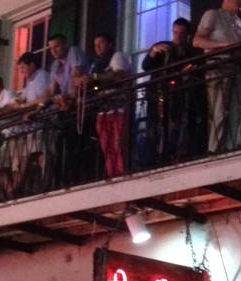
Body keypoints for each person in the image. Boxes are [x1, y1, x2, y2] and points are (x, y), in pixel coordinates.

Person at [141, 18, 206, 163]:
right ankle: (154, 156)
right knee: (155, 125)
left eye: (181, 33)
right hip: (158, 92)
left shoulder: (191, 51)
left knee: (177, 125)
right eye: (175, 32)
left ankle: (174, 154)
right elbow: (145, 66)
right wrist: (152, 53)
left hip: (179, 95)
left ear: (187, 35)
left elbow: (195, 69)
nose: (177, 36)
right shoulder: (162, 47)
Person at [193, 0, 241, 153]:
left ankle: (235, 146)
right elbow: (198, 41)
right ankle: (215, 149)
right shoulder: (213, 15)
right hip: (219, 67)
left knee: (239, 111)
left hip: (239, 69)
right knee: (219, 111)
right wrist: (223, 46)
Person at [0, 54, 50, 197]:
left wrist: (25, 106)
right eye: (20, 68)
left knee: (39, 157)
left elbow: (44, 97)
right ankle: (14, 191)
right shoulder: (30, 83)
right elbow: (18, 100)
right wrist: (7, 108)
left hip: (44, 123)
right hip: (33, 126)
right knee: (26, 158)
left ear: (32, 65)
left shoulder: (42, 76)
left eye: (23, 67)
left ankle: (43, 186)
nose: (21, 71)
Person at [83, 32, 132, 177]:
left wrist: (95, 77)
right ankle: (112, 173)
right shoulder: (95, 65)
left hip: (118, 107)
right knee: (106, 146)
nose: (98, 47)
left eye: (101, 43)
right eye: (95, 45)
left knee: (118, 144)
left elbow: (119, 75)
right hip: (102, 109)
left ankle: (121, 173)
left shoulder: (117, 56)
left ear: (110, 44)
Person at [42, 34, 88, 187]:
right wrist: (38, 106)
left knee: (75, 144)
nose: (54, 51)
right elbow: (51, 89)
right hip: (65, 106)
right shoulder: (55, 65)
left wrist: (70, 98)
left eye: (57, 47)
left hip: (80, 105)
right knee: (62, 143)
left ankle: (76, 178)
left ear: (65, 45)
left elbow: (76, 76)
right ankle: (62, 180)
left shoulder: (73, 52)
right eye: (51, 48)